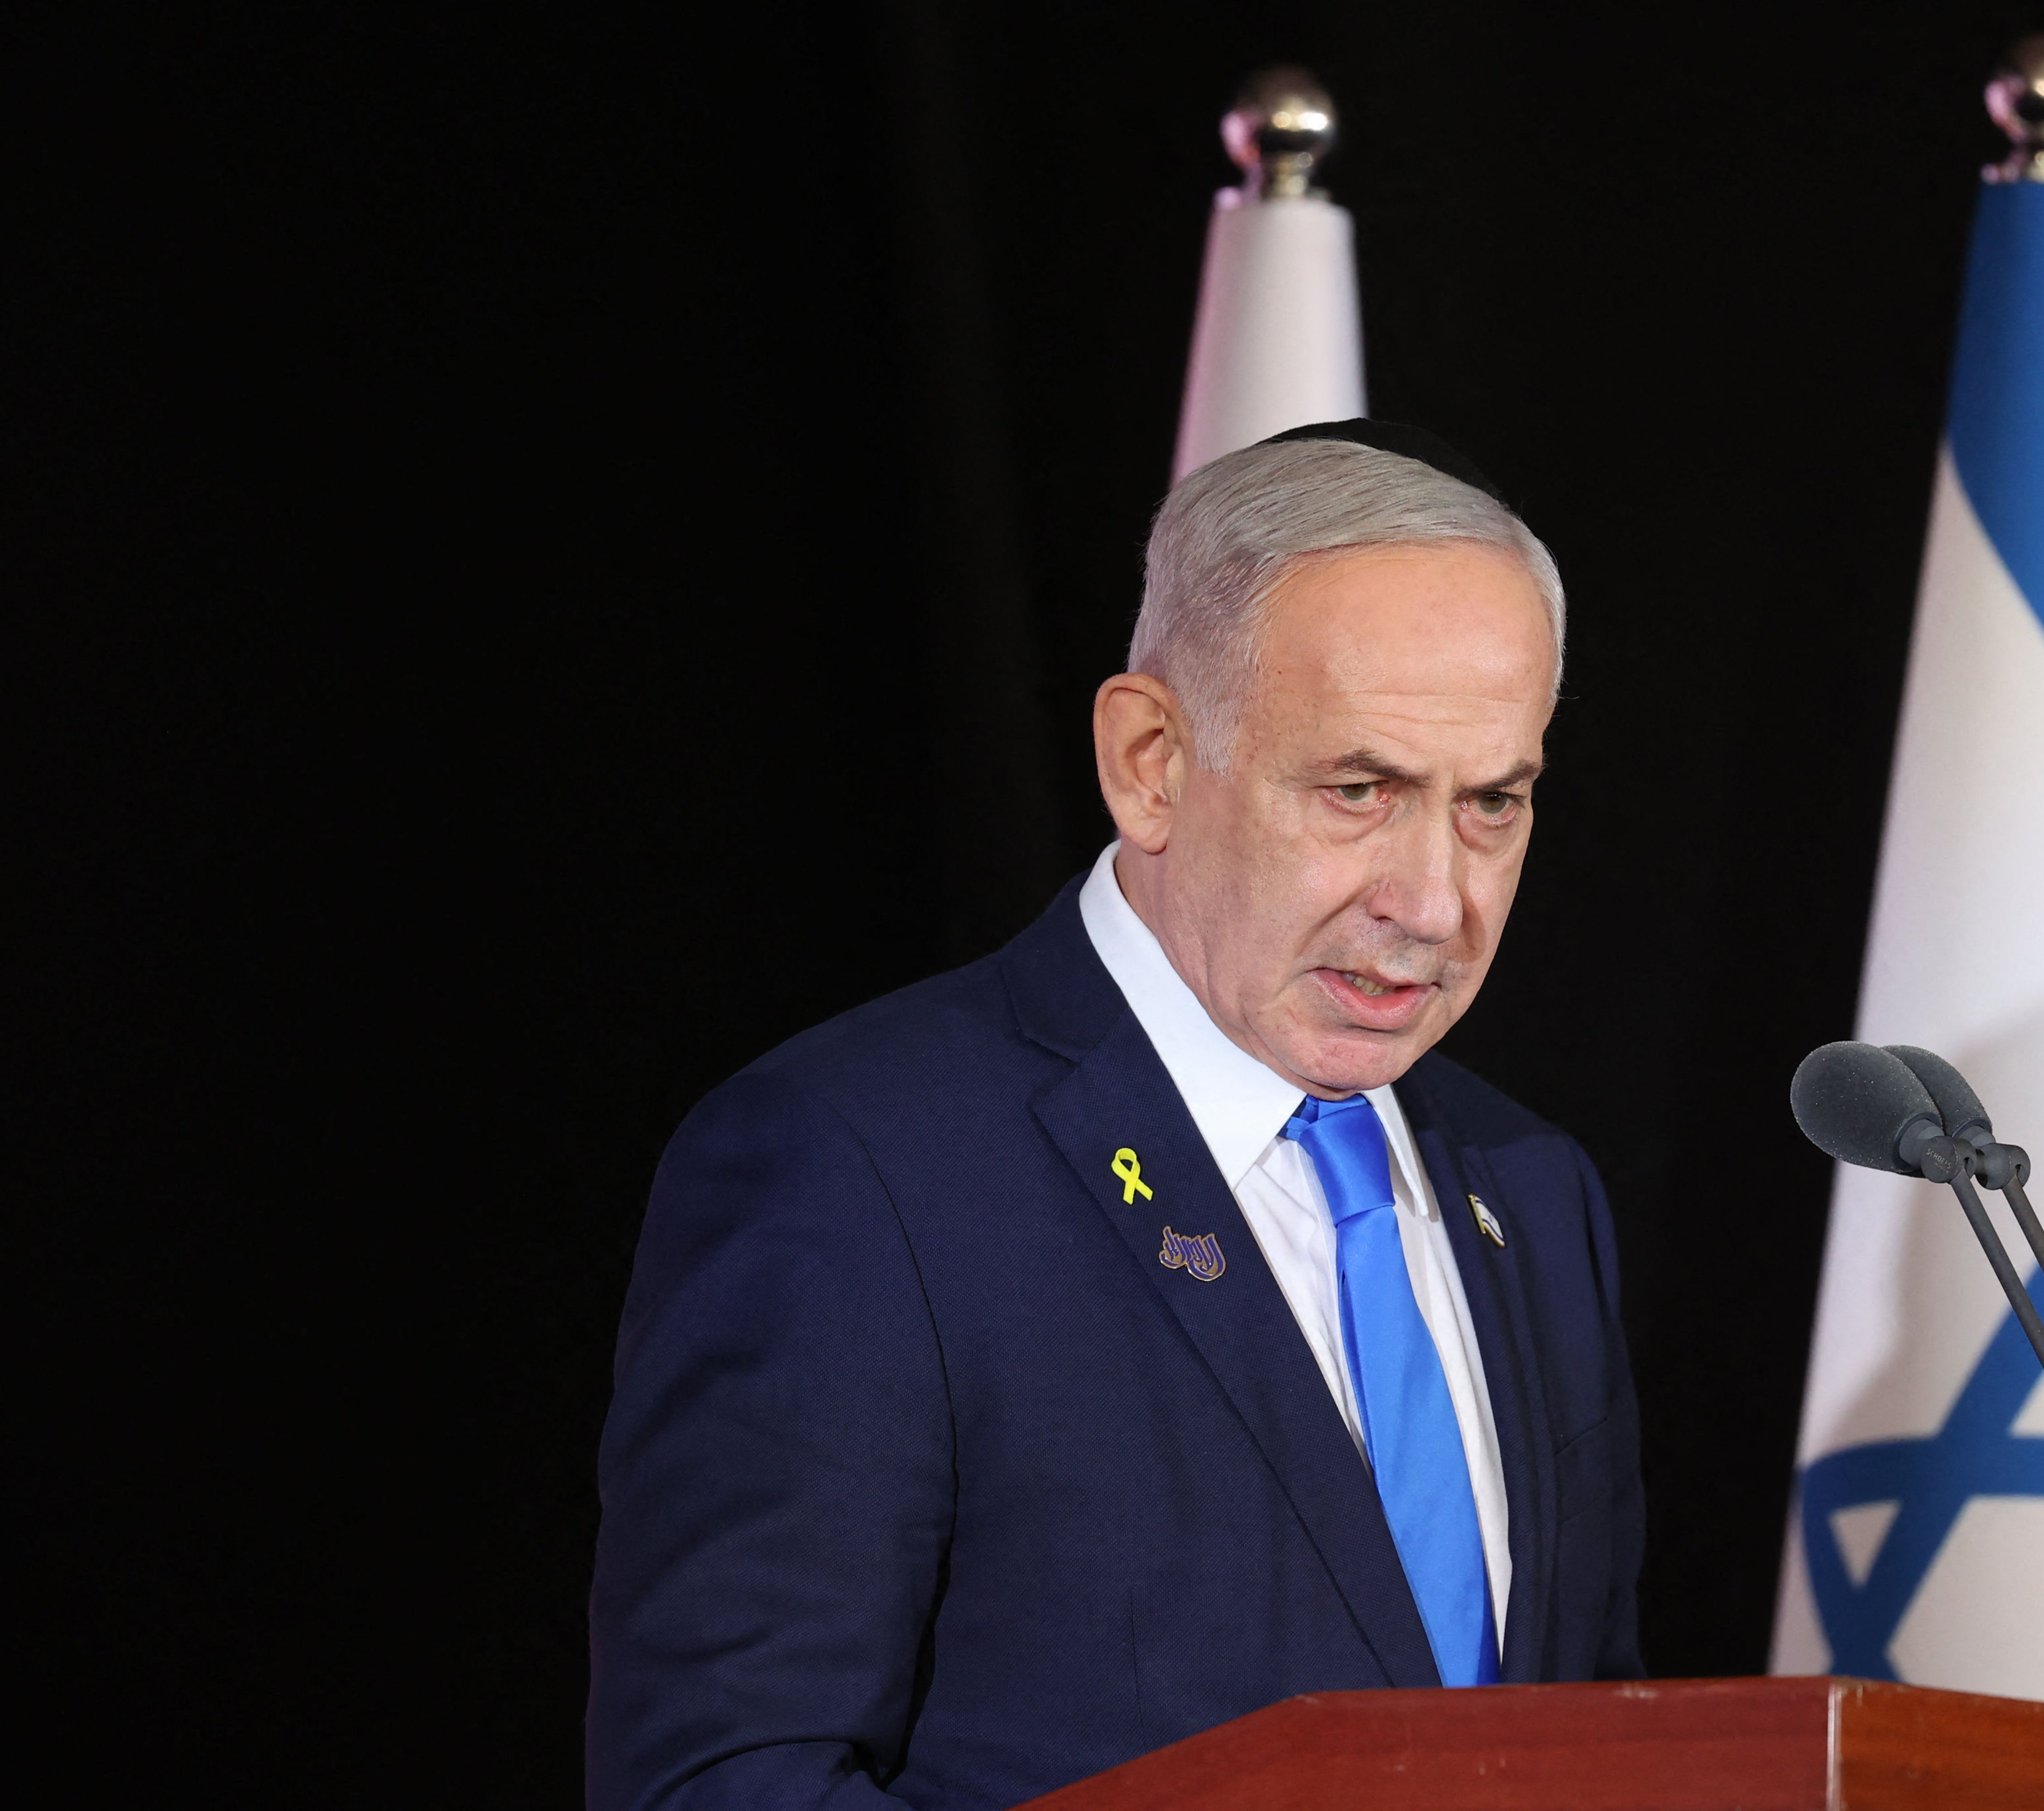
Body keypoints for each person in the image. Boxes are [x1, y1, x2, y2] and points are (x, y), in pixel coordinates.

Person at [586, 423, 1644, 1811]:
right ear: (1150, 760)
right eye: (1358, 792)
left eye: (1492, 805)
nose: (1435, 902)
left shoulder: (1534, 1192)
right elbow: (725, 1784)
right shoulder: (860, 1169)